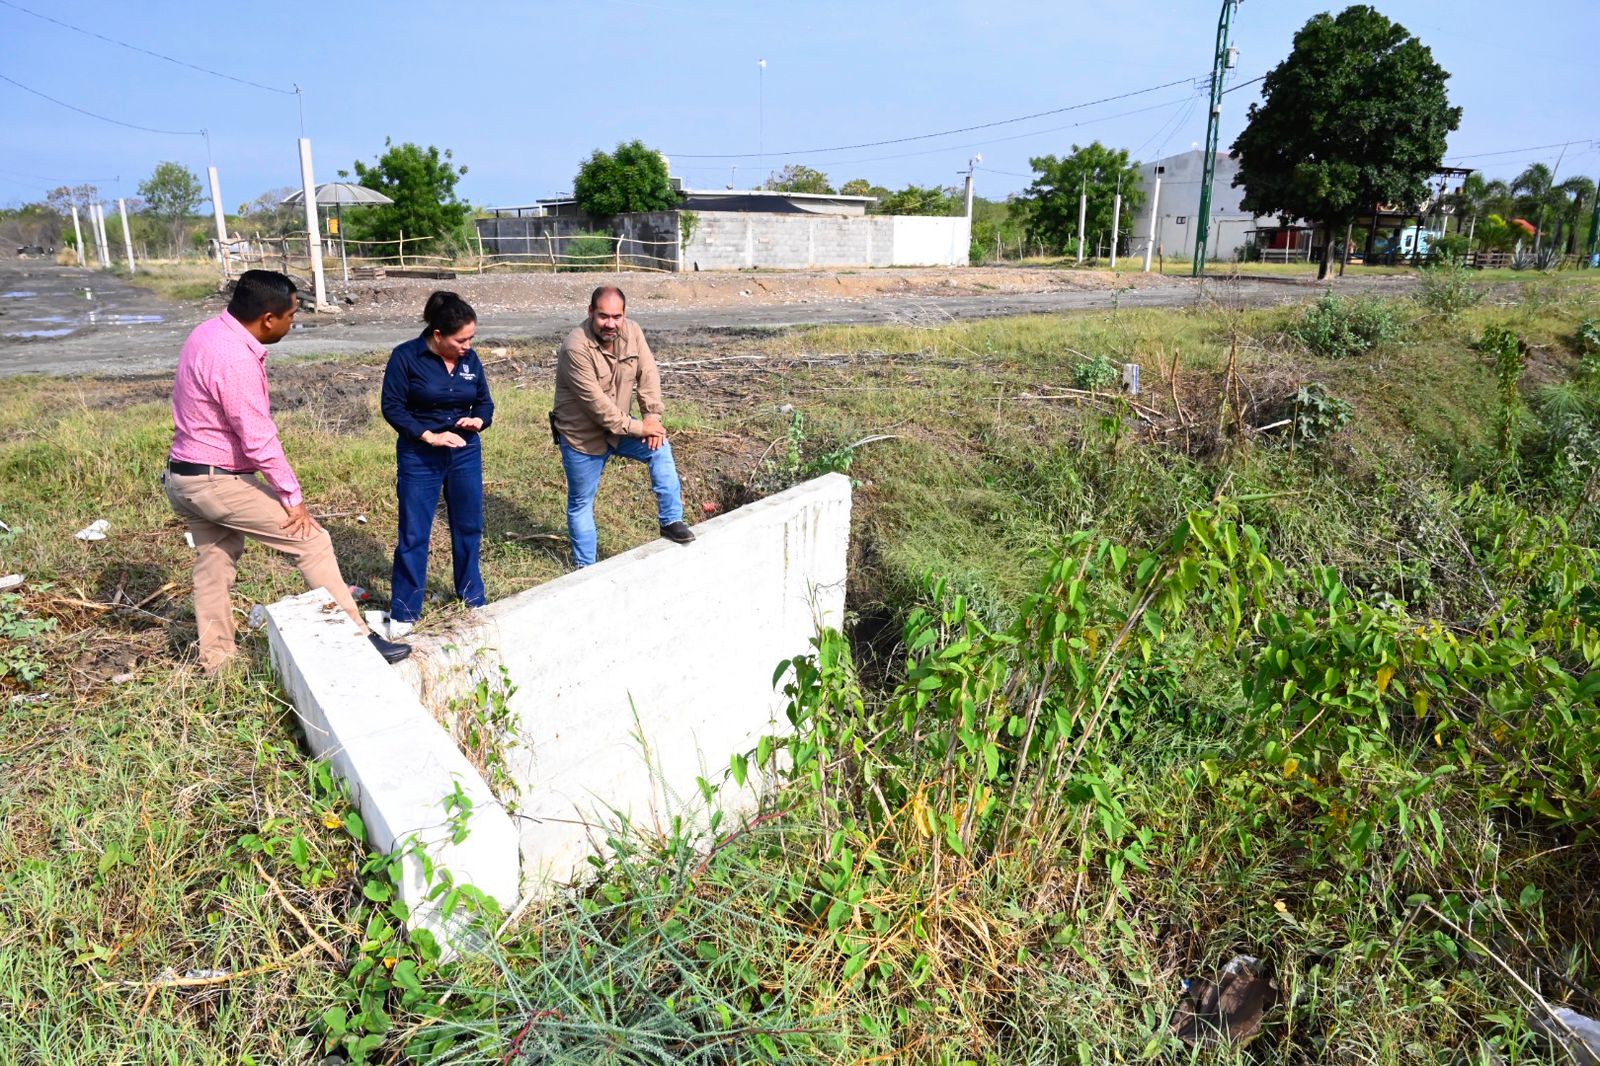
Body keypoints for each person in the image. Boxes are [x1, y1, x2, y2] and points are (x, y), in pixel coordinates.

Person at [164, 269, 411, 672]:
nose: (293, 322)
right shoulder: (233, 357)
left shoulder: (207, 333)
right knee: (311, 540)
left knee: (214, 565)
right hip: (214, 480)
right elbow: (258, 437)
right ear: (267, 318)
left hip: (185, 475)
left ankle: (218, 664)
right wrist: (291, 498)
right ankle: (360, 638)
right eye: (292, 315)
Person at [552, 285, 695, 567]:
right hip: (583, 437)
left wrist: (652, 415)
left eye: (616, 317)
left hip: (621, 431)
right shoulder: (575, 348)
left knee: (660, 447)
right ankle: (586, 569)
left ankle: (671, 520)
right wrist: (641, 428)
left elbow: (648, 373)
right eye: (603, 316)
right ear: (590, 312)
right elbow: (598, 407)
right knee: (581, 504)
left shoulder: (633, 332)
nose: (611, 324)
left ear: (624, 314)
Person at [380, 291, 494, 634]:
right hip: (420, 455)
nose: (468, 346)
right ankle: (404, 611)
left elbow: (485, 404)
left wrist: (479, 421)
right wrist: (428, 435)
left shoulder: (471, 362)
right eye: (461, 339)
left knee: (469, 526)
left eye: (472, 338)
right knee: (415, 533)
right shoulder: (405, 358)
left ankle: (472, 596)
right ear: (438, 335)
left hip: (464, 453)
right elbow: (393, 407)